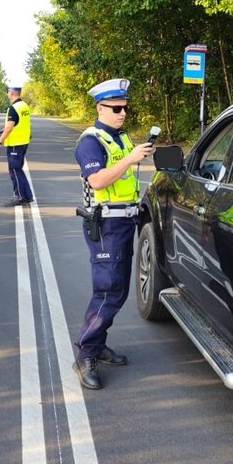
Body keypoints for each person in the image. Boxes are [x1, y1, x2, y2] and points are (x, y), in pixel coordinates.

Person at [71, 78, 154, 390]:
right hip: (105, 226)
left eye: (125, 108)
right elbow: (97, 180)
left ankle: (97, 343)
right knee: (108, 291)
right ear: (100, 108)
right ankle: (86, 354)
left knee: (117, 291)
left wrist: (135, 154)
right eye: (116, 108)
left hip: (123, 224)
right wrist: (130, 159)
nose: (122, 113)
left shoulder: (119, 139)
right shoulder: (91, 142)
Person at [0, 85, 33, 206]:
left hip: (15, 143)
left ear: (12, 92)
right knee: (18, 169)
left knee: (14, 170)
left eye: (8, 92)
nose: (7, 94)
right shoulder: (24, 106)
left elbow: (9, 127)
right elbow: (20, 123)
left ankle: (20, 197)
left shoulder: (13, 108)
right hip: (23, 142)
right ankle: (27, 196)